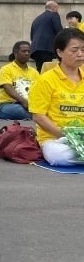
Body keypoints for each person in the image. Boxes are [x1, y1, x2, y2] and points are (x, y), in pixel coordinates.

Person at [30, 28, 84, 166]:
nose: (80, 54)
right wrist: (66, 136)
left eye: (83, 50)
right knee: (62, 156)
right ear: (59, 52)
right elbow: (38, 116)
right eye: (74, 50)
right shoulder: (45, 80)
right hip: (56, 138)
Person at [0, 41, 39, 120]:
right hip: (7, 105)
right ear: (15, 53)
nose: (27, 53)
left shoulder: (34, 72)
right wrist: (23, 102)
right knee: (20, 110)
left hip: (30, 105)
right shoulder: (6, 69)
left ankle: (40, 117)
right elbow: (8, 88)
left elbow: (39, 90)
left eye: (29, 51)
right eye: (24, 51)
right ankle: (40, 118)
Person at [30, 0, 62, 72]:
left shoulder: (37, 19)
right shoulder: (54, 15)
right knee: (48, 70)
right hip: (47, 48)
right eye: (57, 8)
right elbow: (59, 31)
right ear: (53, 8)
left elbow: (32, 35)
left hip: (36, 50)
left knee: (40, 70)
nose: (58, 10)